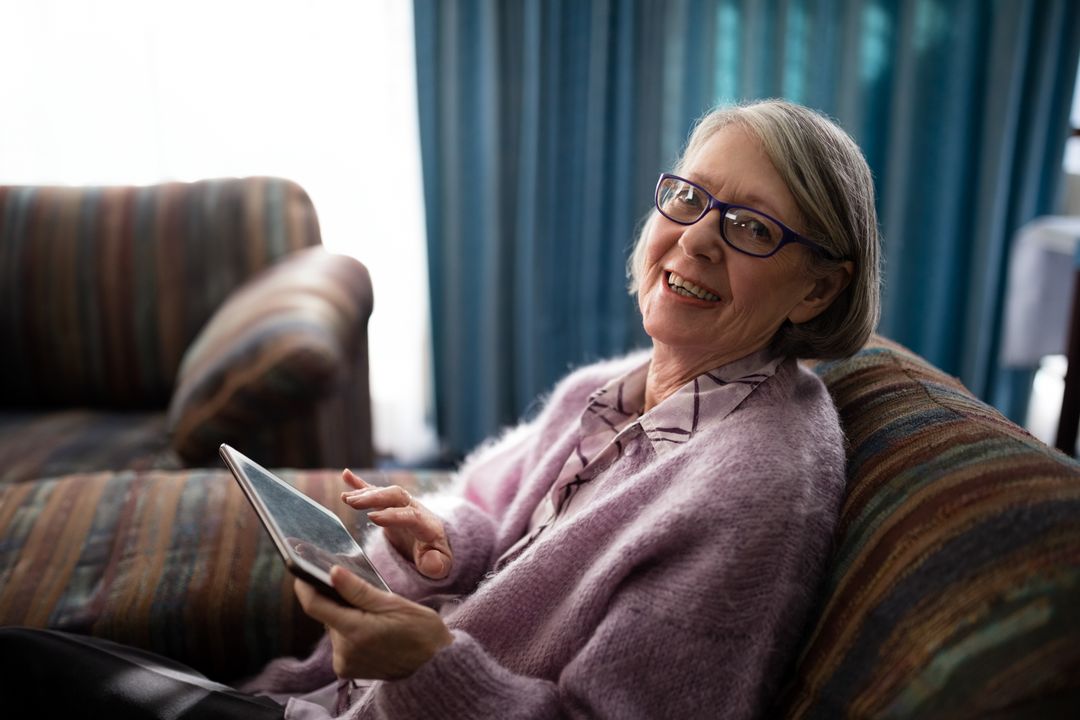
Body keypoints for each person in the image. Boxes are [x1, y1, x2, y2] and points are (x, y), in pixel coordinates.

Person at [0, 99, 880, 719]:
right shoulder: (612, 389)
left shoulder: (753, 488)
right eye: (689, 197)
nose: (695, 238)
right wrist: (445, 539)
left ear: (818, 289)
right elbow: (500, 527)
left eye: (752, 227)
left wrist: (428, 665)